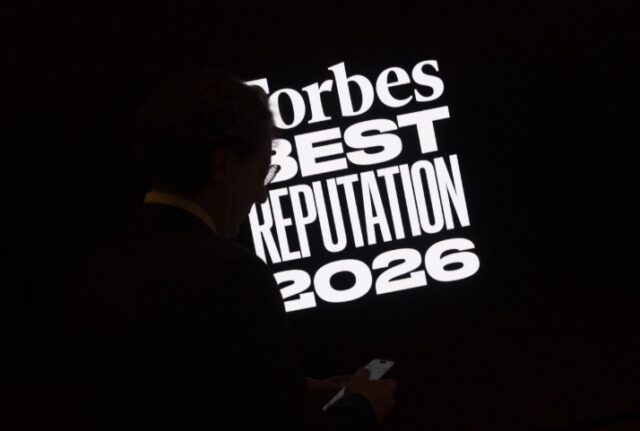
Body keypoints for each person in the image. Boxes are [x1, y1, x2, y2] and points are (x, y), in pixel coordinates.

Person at [69, 69, 397, 430]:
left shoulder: (98, 269)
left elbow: (172, 394)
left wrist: (285, 388)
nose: (261, 194)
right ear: (222, 163)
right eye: (260, 172)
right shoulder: (235, 276)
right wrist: (361, 408)